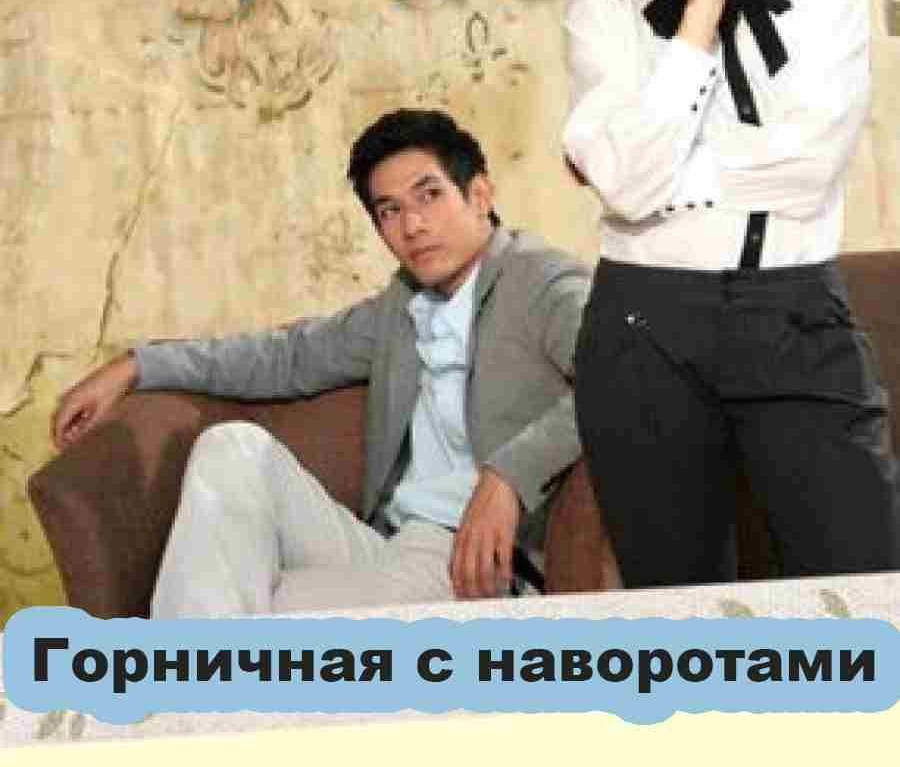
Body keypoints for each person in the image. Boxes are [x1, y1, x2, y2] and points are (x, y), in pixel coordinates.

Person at [563, 0, 900, 589]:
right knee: (681, 615)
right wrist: (700, 15)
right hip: (643, 327)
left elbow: (810, 165)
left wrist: (670, 177)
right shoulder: (603, 3)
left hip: (794, 306)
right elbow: (629, 184)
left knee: (868, 586)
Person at [53, 108, 591, 616]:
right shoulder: (400, 307)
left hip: (476, 566)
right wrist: (137, 366)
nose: (412, 224)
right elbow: (285, 357)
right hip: (390, 547)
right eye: (390, 210)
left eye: (429, 195)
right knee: (233, 449)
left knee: (246, 615)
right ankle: (196, 669)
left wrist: (507, 476)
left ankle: (182, 673)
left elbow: (615, 385)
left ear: (479, 195)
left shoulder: (544, 283)